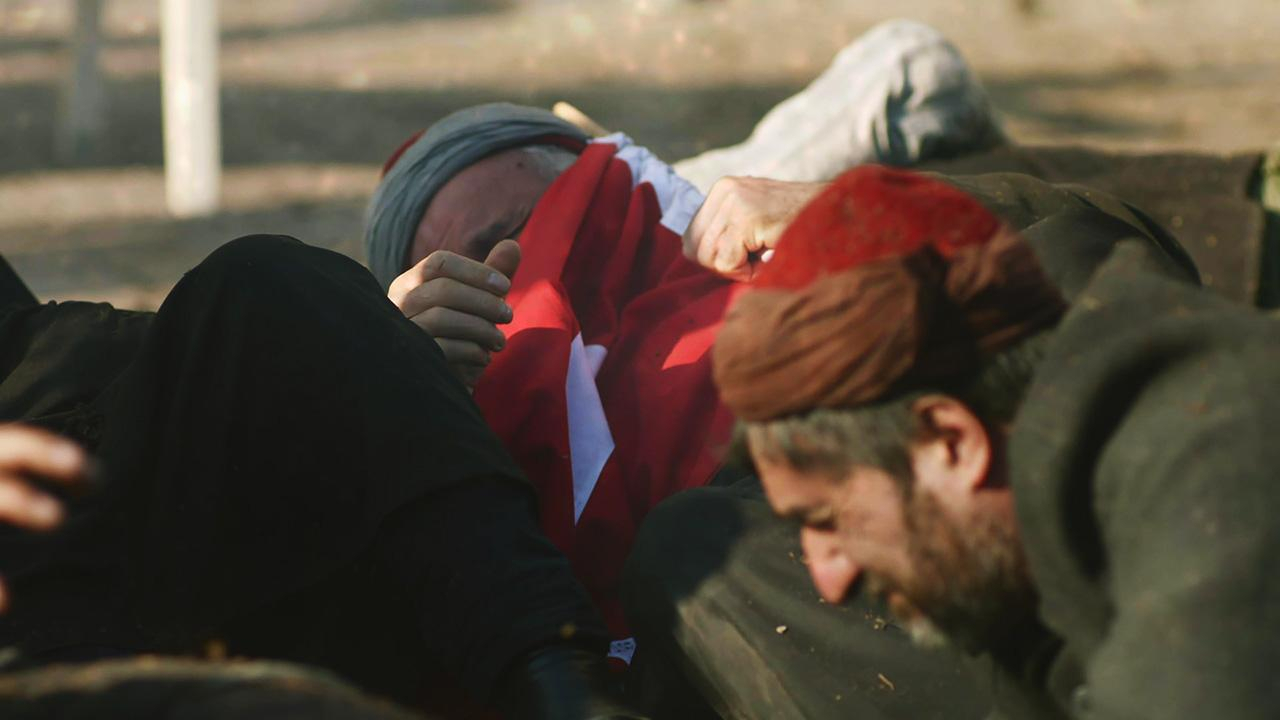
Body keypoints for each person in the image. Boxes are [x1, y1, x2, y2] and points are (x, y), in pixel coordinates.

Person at [362, 20, 1005, 652]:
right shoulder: (430, 390)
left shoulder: (719, 204)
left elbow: (915, 67)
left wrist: (833, 205)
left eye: (529, 226)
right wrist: (398, 375)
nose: (510, 276)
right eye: (461, 286)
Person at [708, 165, 1280, 719]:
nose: (829, 578)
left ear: (950, 441)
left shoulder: (1218, 508)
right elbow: (1077, 239)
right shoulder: (1017, 523)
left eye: (828, 519)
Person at [0, 238, 645, 720]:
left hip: (135, 537)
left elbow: (78, 356)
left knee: (268, 278)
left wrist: (364, 343)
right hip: (40, 611)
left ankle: (569, 687)